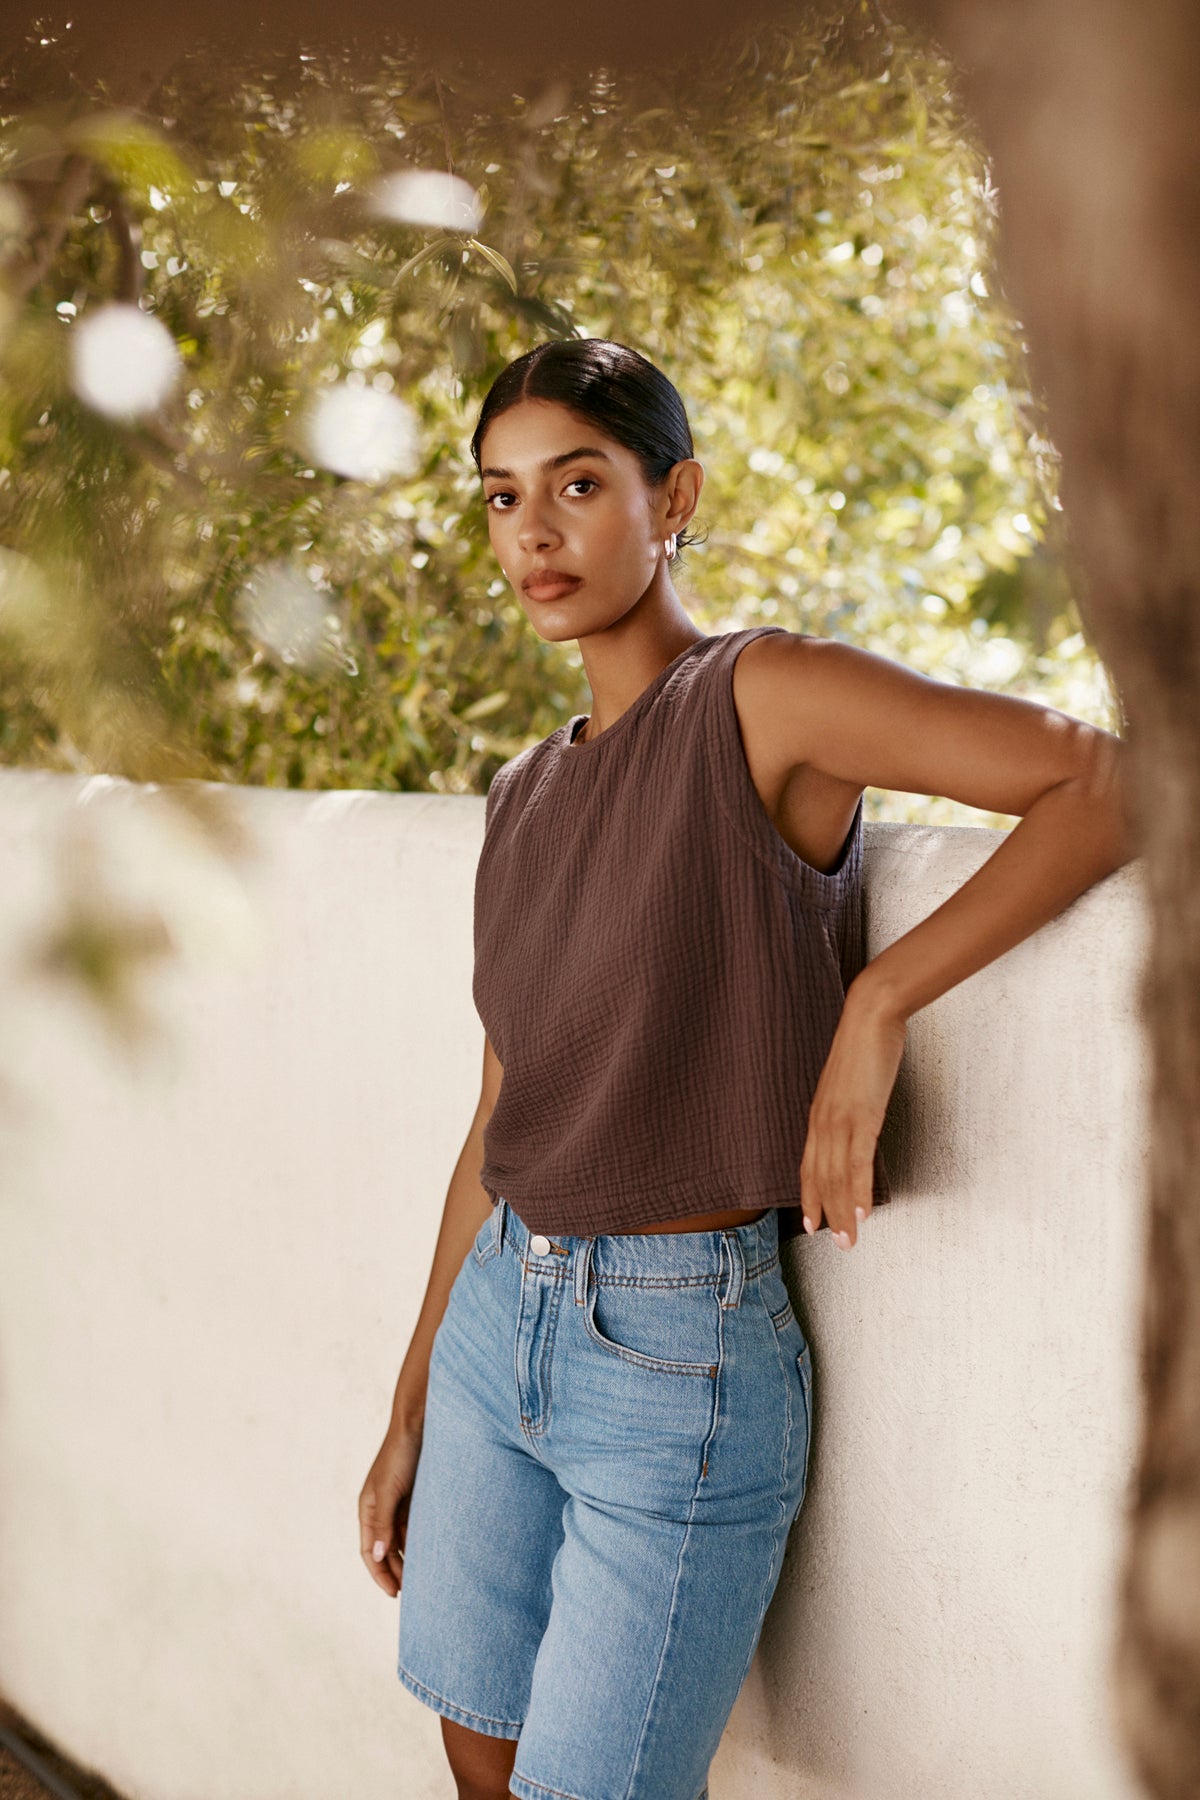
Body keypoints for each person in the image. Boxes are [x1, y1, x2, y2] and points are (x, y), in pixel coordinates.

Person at [358, 338, 1133, 1800]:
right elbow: (500, 1119)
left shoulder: (762, 696)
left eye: (578, 485)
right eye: (502, 497)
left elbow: (1102, 782)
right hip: (495, 1323)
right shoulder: (522, 796)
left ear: (676, 498)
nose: (533, 533)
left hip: (677, 1354)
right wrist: (407, 1413)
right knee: (476, 1747)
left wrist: (880, 999)